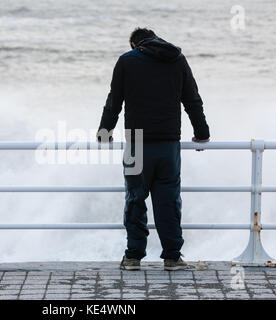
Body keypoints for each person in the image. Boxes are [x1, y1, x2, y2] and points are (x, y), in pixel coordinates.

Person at [96, 27, 210, 271]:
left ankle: (133, 257)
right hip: (169, 144)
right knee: (168, 201)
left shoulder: (127, 61)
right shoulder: (177, 58)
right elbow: (192, 100)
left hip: (137, 142)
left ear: (134, 45)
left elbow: (114, 101)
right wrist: (202, 134)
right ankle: (172, 257)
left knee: (136, 199)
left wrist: (104, 132)